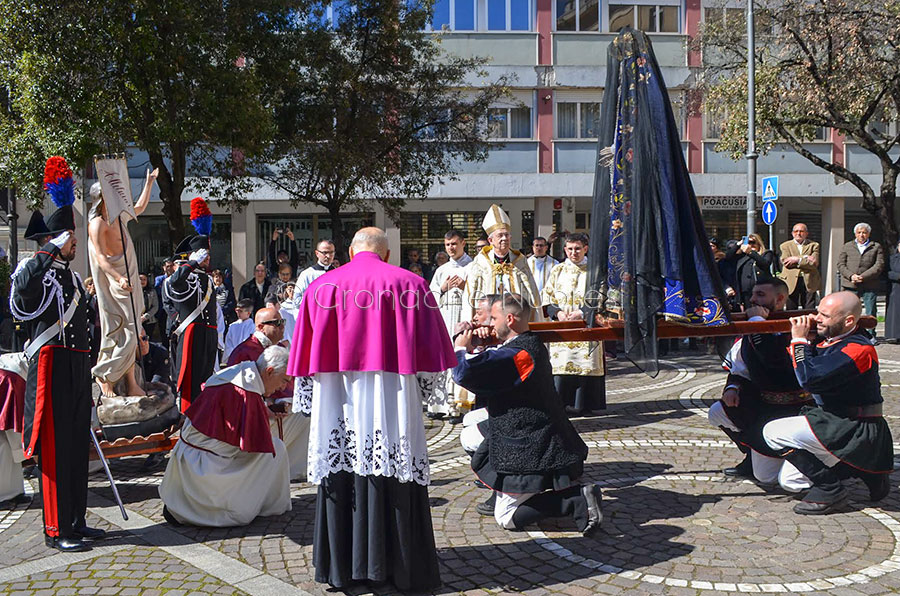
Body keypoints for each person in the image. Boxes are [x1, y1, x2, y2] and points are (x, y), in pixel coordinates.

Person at [288, 227, 456, 591]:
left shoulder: (320, 288)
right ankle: (398, 567)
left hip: (338, 399)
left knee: (341, 468)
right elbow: (433, 357)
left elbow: (303, 357)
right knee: (395, 469)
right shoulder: (411, 285)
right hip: (391, 398)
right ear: (388, 254)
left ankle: (341, 569)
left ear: (349, 252)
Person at [452, 294, 603, 536]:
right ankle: (500, 489)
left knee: (507, 518)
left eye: (493, 318)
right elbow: (491, 361)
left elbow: (465, 373)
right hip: (525, 427)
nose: (488, 324)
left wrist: (460, 348)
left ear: (509, 319)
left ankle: (576, 499)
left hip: (532, 442)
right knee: (470, 426)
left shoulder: (521, 354)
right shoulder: (524, 343)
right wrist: (477, 343)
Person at [9, 156, 100, 552]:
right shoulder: (36, 267)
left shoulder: (72, 276)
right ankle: (55, 528)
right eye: (68, 235)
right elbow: (21, 297)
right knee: (56, 449)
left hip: (77, 365)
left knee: (76, 446)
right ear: (55, 238)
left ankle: (76, 521)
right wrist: (47, 249)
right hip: (51, 366)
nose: (74, 241)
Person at [763, 291, 893, 514]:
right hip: (834, 421)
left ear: (848, 321)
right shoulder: (830, 340)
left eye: (824, 315)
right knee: (790, 482)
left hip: (854, 426)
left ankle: (830, 488)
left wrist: (800, 341)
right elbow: (788, 365)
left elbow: (810, 380)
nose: (816, 318)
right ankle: (867, 471)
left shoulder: (859, 348)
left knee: (772, 431)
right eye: (817, 312)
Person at [159, 346, 292, 526]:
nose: (283, 387)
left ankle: (181, 506)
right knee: (275, 451)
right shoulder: (247, 392)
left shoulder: (241, 372)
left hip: (191, 454)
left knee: (275, 447)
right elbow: (255, 442)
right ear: (269, 371)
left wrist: (264, 413)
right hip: (206, 465)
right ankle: (262, 504)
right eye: (284, 380)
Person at [707, 277, 814, 483]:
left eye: (761, 295)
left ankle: (817, 464)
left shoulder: (796, 327)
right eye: (753, 294)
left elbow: (774, 359)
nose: (753, 300)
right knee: (717, 411)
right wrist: (733, 387)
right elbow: (740, 366)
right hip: (764, 405)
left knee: (773, 478)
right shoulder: (755, 325)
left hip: (796, 409)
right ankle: (751, 453)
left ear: (780, 299)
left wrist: (756, 323)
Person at [87, 167, 158, 398]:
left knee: (134, 330)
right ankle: (104, 374)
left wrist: (149, 183)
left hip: (129, 282)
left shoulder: (119, 217)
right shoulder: (97, 224)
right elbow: (100, 258)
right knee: (119, 331)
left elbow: (140, 207)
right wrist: (118, 278)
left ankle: (130, 382)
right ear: (102, 199)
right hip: (115, 284)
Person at [227, 306, 307, 481]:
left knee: (309, 414)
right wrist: (267, 405)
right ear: (260, 327)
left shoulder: (278, 348)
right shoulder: (245, 351)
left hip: (282, 405)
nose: (281, 327)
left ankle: (292, 468)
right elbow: (238, 393)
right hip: (255, 412)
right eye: (276, 323)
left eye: (282, 322)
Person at [542, 233, 606, 416]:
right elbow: (547, 296)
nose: (573, 252)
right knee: (561, 363)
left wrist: (582, 312)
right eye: (569, 249)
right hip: (563, 325)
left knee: (585, 361)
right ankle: (561, 403)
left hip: (586, 323)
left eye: (577, 248)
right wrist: (558, 313)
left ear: (586, 248)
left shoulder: (594, 270)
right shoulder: (557, 270)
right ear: (565, 250)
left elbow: (600, 294)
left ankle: (584, 404)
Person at [165, 199, 218, 413]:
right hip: (193, 334)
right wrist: (192, 263)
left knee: (207, 379)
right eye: (202, 256)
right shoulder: (184, 276)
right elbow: (176, 282)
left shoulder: (207, 279)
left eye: (206, 256)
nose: (206, 260)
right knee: (191, 381)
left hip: (209, 333)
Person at [463, 204, 543, 322]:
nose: (504, 238)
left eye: (507, 235)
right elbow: (470, 295)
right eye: (500, 235)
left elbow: (532, 293)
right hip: (488, 321)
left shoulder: (519, 261)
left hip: (514, 318)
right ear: (490, 240)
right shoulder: (481, 263)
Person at [429, 229, 474, 420]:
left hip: (464, 317)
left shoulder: (473, 267)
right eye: (447, 245)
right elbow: (429, 298)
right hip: (445, 318)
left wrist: (465, 288)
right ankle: (439, 406)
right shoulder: (441, 270)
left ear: (463, 243)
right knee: (442, 360)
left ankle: (459, 407)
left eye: (454, 244)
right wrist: (443, 288)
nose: (451, 248)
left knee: (461, 357)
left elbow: (480, 294)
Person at [837, 223, 884, 323]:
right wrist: (851, 276)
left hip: (869, 284)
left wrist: (863, 276)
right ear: (855, 234)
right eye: (859, 232)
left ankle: (871, 335)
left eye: (864, 232)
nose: (861, 235)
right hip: (850, 285)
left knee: (870, 311)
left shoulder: (876, 246)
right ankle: (850, 333)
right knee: (849, 311)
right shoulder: (847, 246)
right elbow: (841, 264)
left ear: (868, 234)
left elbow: (878, 265)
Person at [0, 352, 28, 506]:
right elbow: (13, 425)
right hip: (8, 381)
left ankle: (13, 491)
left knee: (8, 448)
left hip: (12, 374)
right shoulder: (11, 379)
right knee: (4, 445)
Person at [724, 233, 779, 310]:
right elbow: (728, 257)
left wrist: (751, 252)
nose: (751, 245)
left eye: (753, 242)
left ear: (758, 244)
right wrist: (738, 244)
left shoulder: (766, 253)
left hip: (760, 289)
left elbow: (765, 264)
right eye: (748, 243)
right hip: (745, 291)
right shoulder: (742, 256)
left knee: (762, 311)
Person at [778, 223, 821, 310]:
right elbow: (786, 262)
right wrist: (805, 257)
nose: (798, 233)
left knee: (809, 308)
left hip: (809, 280)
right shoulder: (785, 246)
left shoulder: (814, 245)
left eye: (801, 231)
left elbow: (814, 263)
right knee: (791, 307)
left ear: (806, 233)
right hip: (791, 280)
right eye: (796, 231)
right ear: (792, 233)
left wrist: (796, 259)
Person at [294, 240, 336, 306]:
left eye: (331, 253)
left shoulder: (339, 274)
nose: (328, 256)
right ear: (317, 253)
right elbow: (296, 300)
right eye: (325, 252)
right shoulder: (307, 274)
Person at [884, 241, 900, 342]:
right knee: (895, 312)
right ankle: (894, 335)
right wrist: (897, 276)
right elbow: (885, 272)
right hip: (895, 288)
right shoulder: (891, 259)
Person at [140, 273, 159, 339]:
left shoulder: (152, 291)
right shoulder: (133, 292)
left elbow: (155, 306)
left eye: (144, 279)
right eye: (140, 279)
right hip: (136, 320)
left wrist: (145, 317)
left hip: (149, 320)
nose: (142, 281)